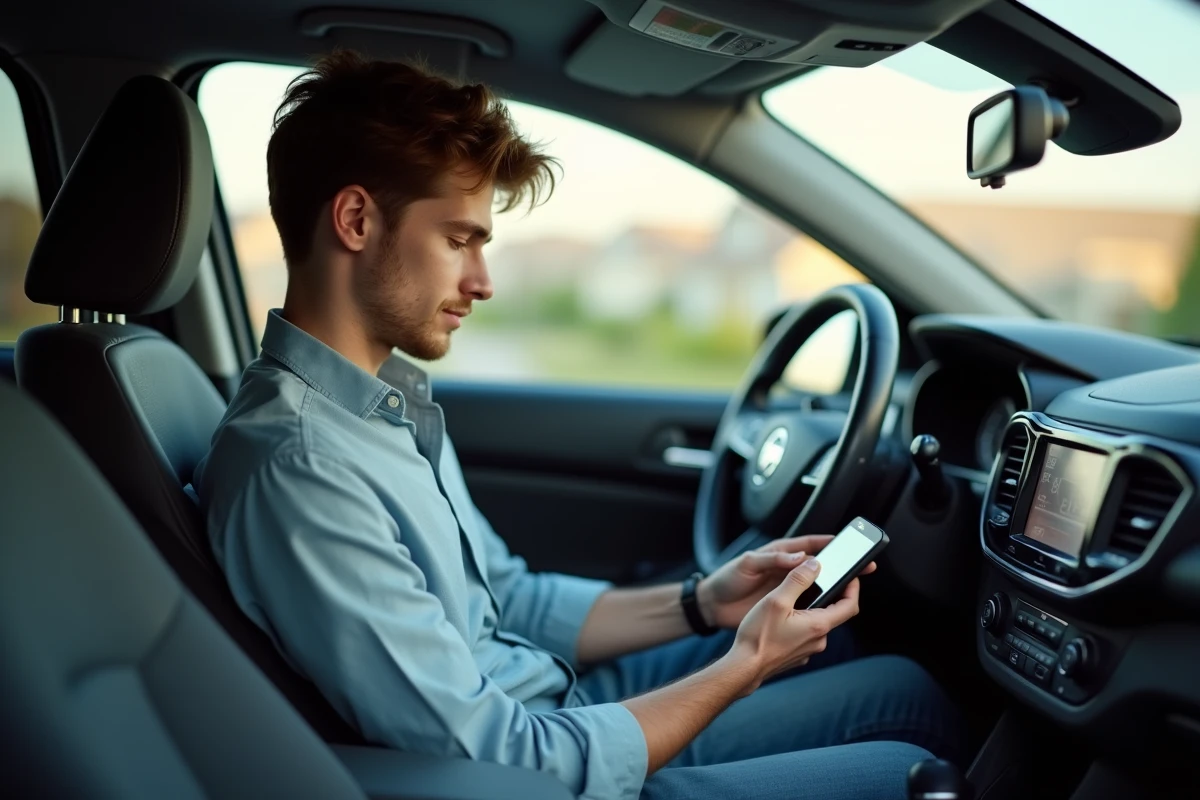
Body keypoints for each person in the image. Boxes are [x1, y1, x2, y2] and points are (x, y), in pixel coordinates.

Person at [194, 51, 962, 800]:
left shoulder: (382, 403)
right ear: (357, 219)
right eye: (459, 240)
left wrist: (705, 602)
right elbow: (504, 761)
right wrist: (744, 664)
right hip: (544, 758)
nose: (483, 282)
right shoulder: (302, 465)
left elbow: (508, 601)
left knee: (886, 671)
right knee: (906, 735)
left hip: (550, 698)